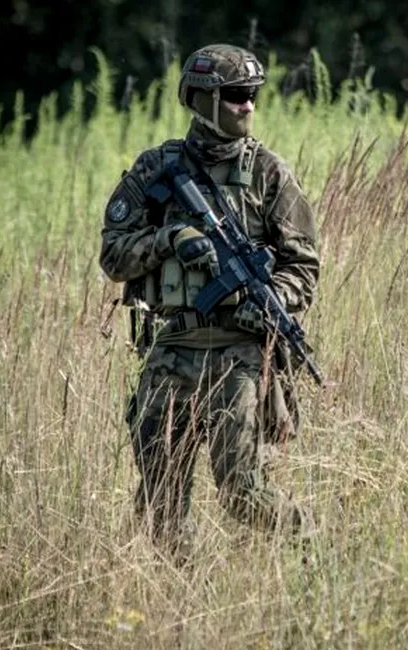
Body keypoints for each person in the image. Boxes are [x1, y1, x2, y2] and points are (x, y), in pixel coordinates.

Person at [98, 43, 319, 557]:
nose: (248, 104)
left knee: (243, 494)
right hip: (170, 352)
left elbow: (304, 266)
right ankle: (181, 593)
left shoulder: (268, 173)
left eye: (253, 94)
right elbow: (113, 256)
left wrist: (270, 299)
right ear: (201, 99)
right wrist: (169, 239)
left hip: (238, 357)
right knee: (161, 499)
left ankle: (311, 547)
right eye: (236, 94)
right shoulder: (157, 170)